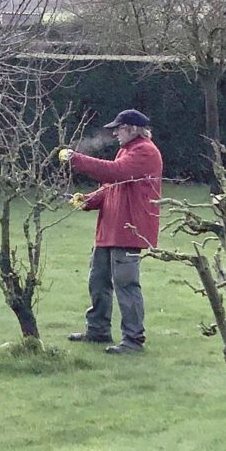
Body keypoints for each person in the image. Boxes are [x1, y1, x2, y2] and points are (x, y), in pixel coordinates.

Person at [58, 109, 163, 354]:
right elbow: (111, 187)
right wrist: (87, 200)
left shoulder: (145, 152)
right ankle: (98, 331)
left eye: (119, 128)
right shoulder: (126, 150)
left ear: (133, 129)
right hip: (110, 228)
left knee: (126, 285)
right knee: (98, 281)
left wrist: (76, 158)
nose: (115, 132)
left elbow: (114, 173)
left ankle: (133, 340)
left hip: (129, 230)